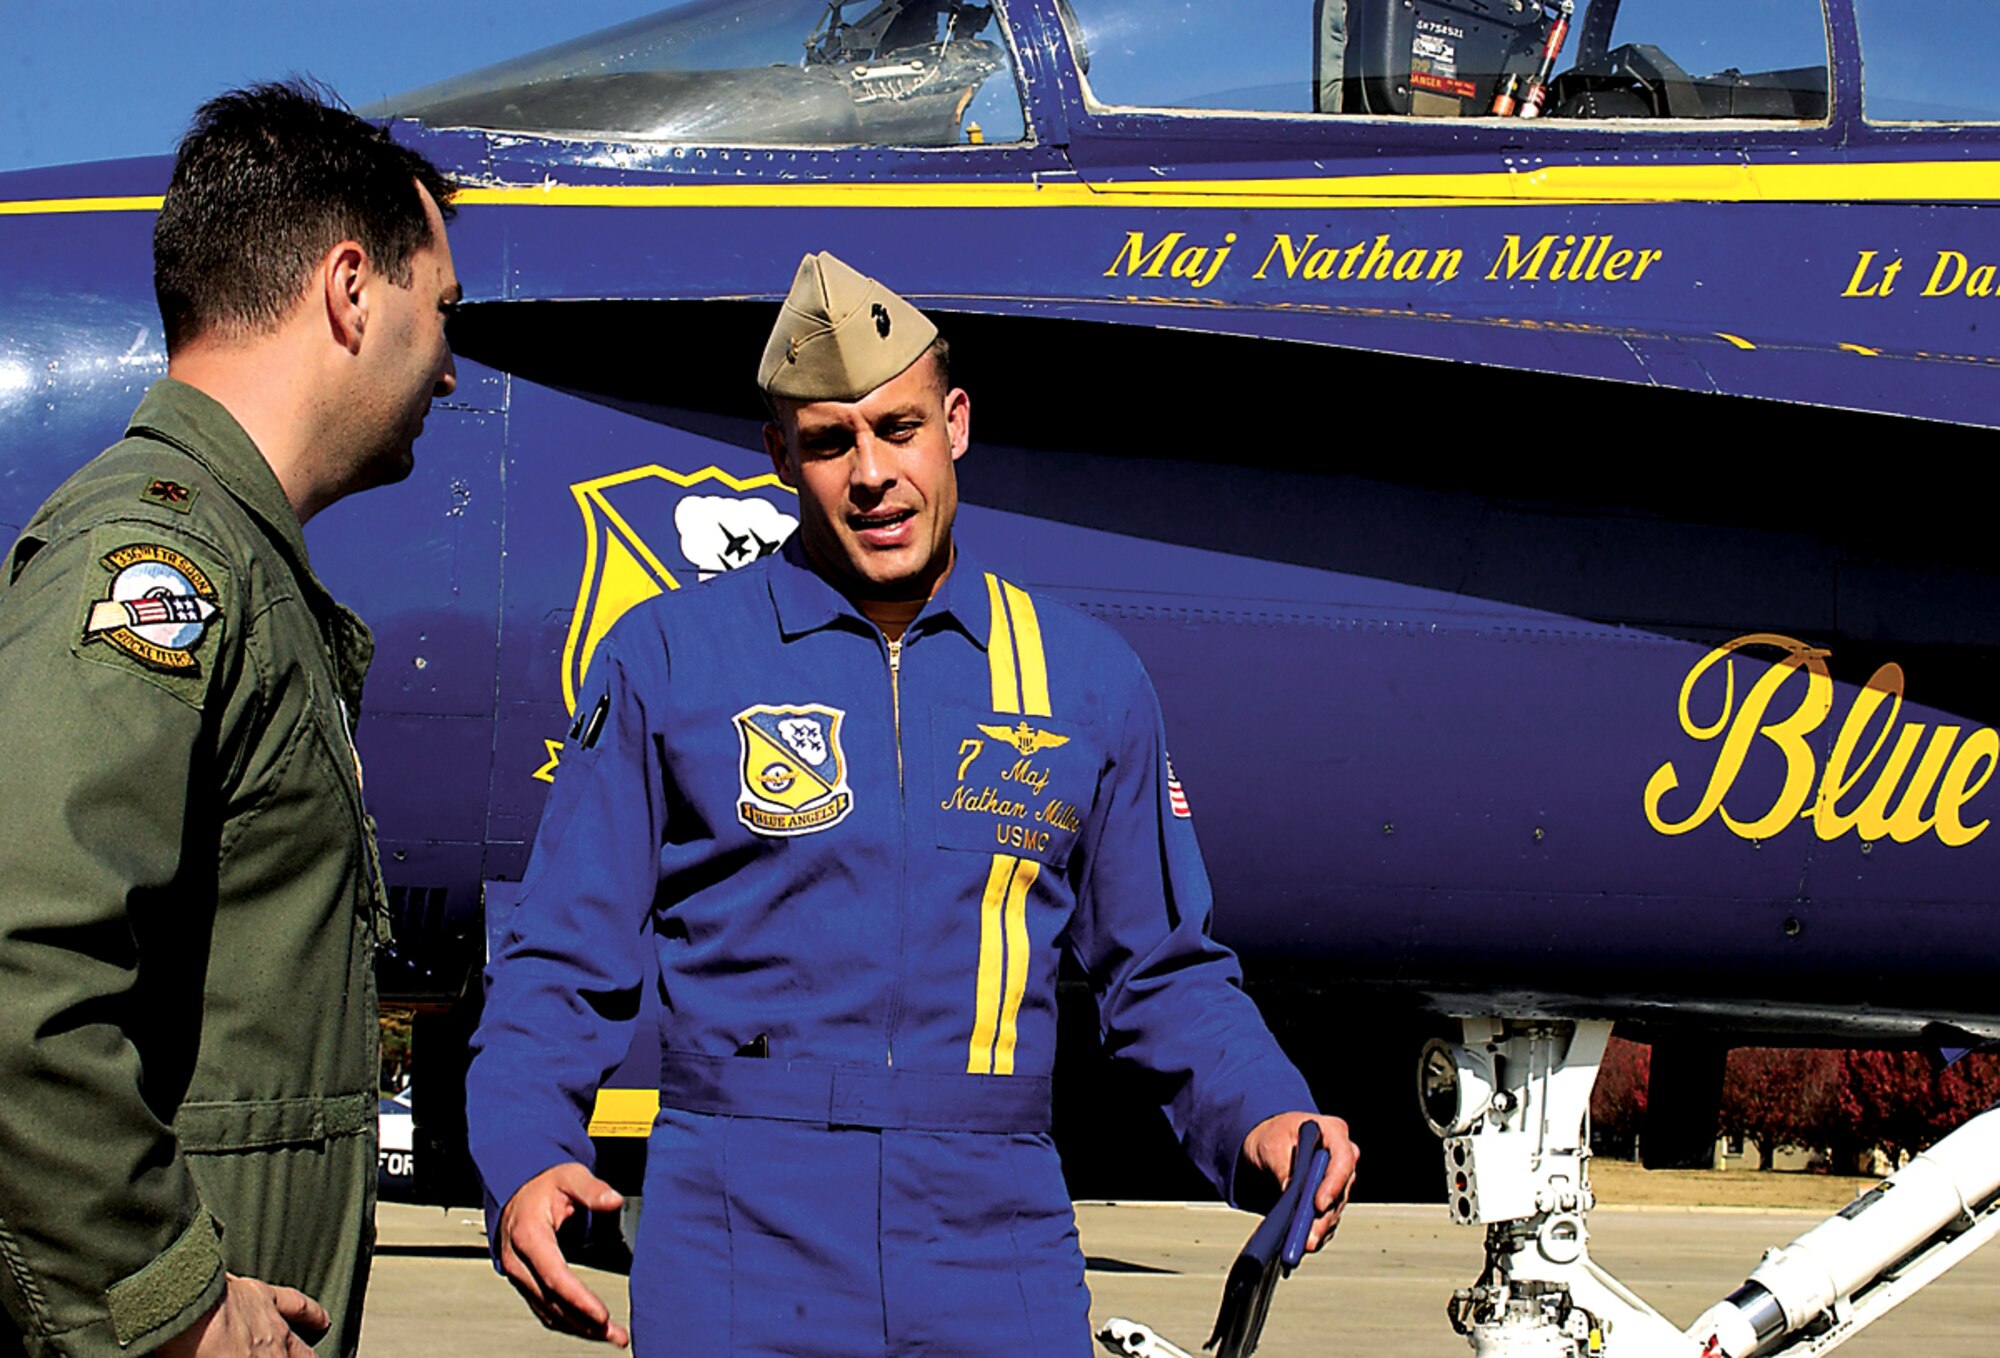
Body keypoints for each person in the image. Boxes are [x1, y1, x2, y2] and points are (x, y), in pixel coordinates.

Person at [466, 252, 1356, 1356]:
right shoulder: (667, 660)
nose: (872, 473)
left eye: (899, 428)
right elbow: (561, 954)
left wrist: (1263, 1108)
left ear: (957, 423)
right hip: (738, 1232)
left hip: (996, 1238)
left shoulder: (1085, 679)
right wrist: (522, 1152)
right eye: (832, 441)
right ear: (781, 454)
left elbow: (1161, 968)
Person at [0, 83, 459, 1358]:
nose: (450, 364)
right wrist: (166, 1298)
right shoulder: (159, 562)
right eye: (441, 311)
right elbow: (17, 961)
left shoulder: (237, 568)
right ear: (351, 291)